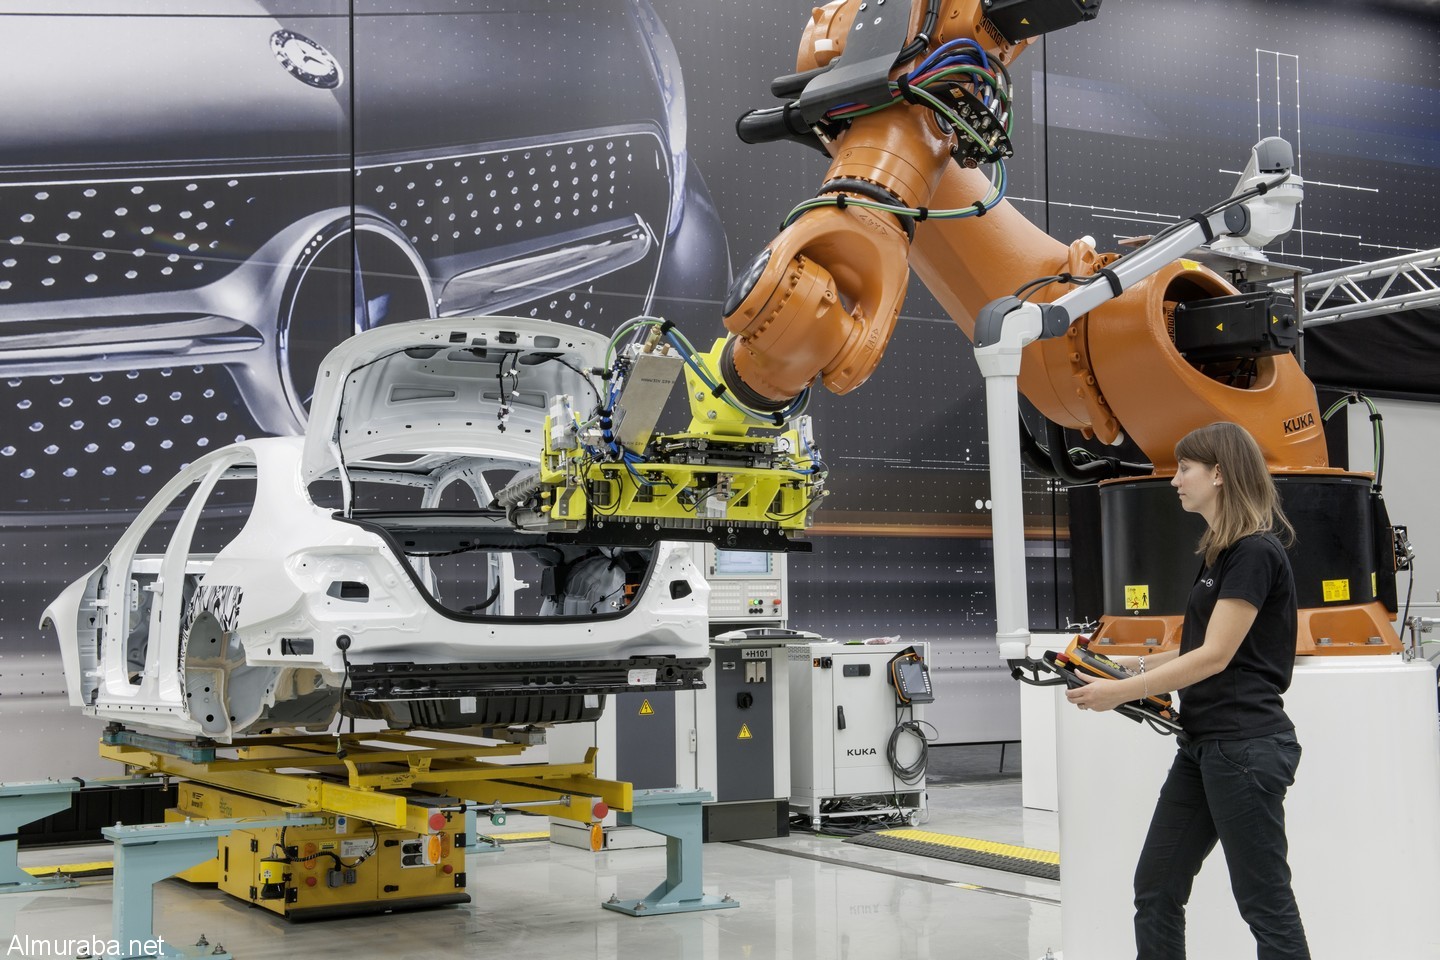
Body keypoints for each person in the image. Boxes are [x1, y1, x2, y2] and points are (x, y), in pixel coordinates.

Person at [1065, 421, 1310, 960]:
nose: (1174, 480)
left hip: (1244, 747)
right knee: (1155, 889)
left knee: (1264, 905)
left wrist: (1122, 694)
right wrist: (1121, 668)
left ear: (1219, 473)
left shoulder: (1254, 552)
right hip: (1204, 746)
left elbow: (1216, 657)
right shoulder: (1219, 554)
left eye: (1185, 468)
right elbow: (1199, 647)